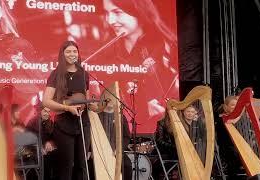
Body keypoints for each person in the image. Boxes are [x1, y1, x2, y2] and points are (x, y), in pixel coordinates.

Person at [90, 0, 179, 133]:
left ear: (138, 12)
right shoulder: (106, 52)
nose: (111, 20)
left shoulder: (165, 48)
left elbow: (172, 89)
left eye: (117, 12)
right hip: (123, 125)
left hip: (159, 127)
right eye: (107, 13)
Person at [42, 41, 90, 180]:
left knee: (82, 166)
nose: (72, 54)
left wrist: (94, 105)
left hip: (82, 124)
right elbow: (46, 101)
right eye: (68, 51)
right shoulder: (56, 74)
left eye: (74, 51)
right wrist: (67, 108)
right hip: (64, 126)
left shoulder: (84, 74)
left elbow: (85, 98)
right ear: (62, 54)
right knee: (65, 167)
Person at [26, 105, 57, 180]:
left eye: (49, 112)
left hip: (46, 153)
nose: (47, 114)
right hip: (33, 152)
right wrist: (38, 148)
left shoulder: (50, 123)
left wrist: (50, 143)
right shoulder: (32, 122)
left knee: (55, 157)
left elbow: (54, 138)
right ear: (40, 111)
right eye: (45, 111)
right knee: (42, 160)